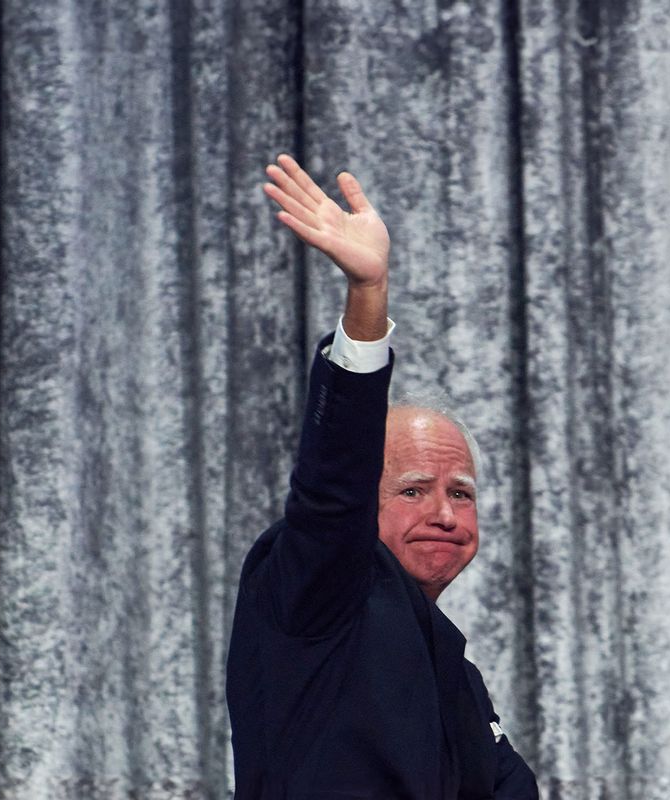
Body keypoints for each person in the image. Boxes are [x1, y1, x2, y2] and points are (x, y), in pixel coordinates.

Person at [226, 154, 539, 798]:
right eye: (414, 490)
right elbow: (332, 485)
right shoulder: (318, 590)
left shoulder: (453, 666)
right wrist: (367, 299)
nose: (446, 515)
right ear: (362, 511)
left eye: (461, 494)